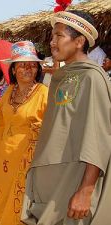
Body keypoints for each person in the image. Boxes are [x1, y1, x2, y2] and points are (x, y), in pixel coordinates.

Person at [21, 10, 111, 225]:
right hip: (51, 176)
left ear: (79, 41)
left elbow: (98, 136)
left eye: (58, 36)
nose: (52, 43)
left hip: (74, 178)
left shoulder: (92, 77)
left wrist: (85, 190)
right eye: (52, 36)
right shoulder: (61, 76)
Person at [0, 41, 48, 225]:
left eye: (32, 65)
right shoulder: (9, 92)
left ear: (38, 69)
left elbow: (50, 127)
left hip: (27, 161)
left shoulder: (44, 93)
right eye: (22, 65)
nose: (27, 69)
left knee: (20, 204)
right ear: (13, 70)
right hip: (4, 157)